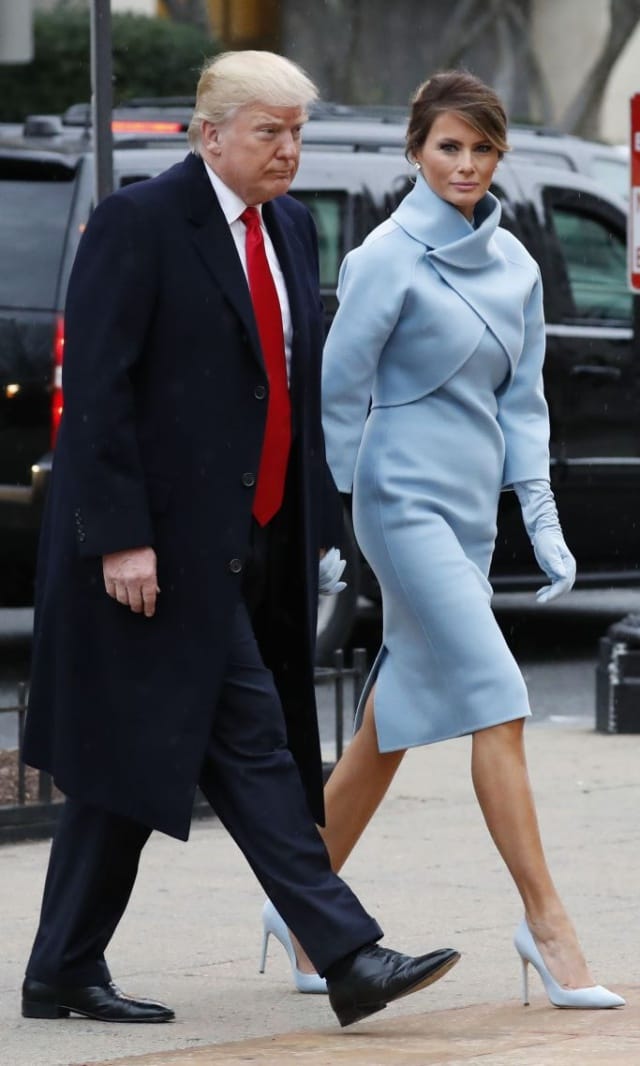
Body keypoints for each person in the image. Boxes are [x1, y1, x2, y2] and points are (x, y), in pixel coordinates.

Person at [20, 51, 461, 1028]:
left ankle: (60, 967)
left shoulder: (290, 227)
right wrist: (120, 540)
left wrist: (316, 529)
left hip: (257, 541)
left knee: (133, 757)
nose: (288, 150)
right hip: (160, 554)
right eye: (270, 132)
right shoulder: (138, 224)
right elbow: (97, 394)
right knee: (251, 741)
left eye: (297, 132)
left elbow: (287, 387)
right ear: (209, 134)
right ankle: (348, 952)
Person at [271, 70, 625, 1010]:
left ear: (499, 155)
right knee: (497, 698)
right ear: (417, 151)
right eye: (448, 147)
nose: (466, 164)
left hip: (469, 511)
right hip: (399, 502)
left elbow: (525, 400)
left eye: (481, 149)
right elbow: (338, 396)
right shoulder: (385, 257)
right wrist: (332, 518)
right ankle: (547, 925)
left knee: (389, 722)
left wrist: (541, 517)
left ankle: (302, 906)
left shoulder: (516, 264)